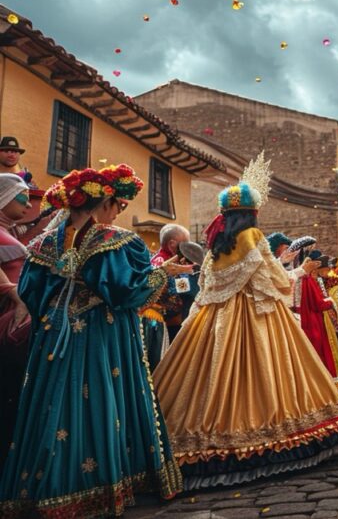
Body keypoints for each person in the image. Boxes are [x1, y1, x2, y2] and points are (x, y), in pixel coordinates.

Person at [153, 154, 338, 488]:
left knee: (204, 377)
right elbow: (274, 280)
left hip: (213, 318)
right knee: (268, 372)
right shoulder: (253, 238)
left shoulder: (214, 248)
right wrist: (298, 271)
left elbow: (207, 286)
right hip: (256, 316)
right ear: (251, 214)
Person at [1, 165, 191, 516]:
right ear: (102, 203)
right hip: (101, 333)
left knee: (53, 401)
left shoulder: (43, 243)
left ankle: (47, 485)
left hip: (54, 332)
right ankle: (103, 484)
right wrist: (164, 272)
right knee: (102, 397)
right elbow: (127, 293)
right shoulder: (115, 241)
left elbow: (29, 291)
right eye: (116, 203)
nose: (118, 211)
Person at [0, 175, 31, 468]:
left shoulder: (9, 230)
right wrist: (18, 299)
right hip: (12, 318)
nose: (27, 203)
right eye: (22, 197)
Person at [141, 224, 198, 368]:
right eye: (184, 244)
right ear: (172, 244)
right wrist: (190, 273)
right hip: (164, 326)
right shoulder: (168, 264)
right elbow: (180, 292)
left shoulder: (155, 260)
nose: (187, 248)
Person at [296, 245, 338, 385]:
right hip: (314, 321)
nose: (329, 271)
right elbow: (318, 303)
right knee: (319, 352)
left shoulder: (309, 280)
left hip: (314, 319)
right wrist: (332, 301)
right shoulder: (308, 280)